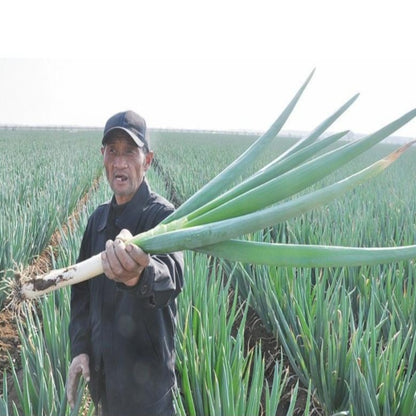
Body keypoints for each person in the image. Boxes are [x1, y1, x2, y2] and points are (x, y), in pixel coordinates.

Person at [66, 110, 184, 416]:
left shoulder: (162, 217)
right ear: (102, 157)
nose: (119, 162)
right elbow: (80, 293)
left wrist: (139, 275)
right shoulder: (98, 221)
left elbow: (171, 278)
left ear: (147, 160)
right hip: (105, 386)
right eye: (112, 151)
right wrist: (80, 349)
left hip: (148, 396)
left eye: (129, 151)